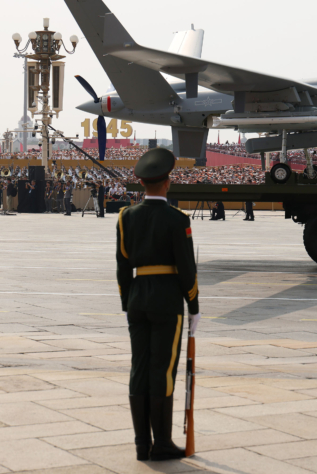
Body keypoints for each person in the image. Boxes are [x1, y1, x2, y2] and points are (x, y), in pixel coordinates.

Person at [116, 148, 201, 462]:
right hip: (166, 298)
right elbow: (186, 268)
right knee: (162, 370)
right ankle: (162, 443)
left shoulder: (126, 217)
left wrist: (128, 302)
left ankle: (142, 444)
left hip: (137, 297)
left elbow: (122, 267)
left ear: (141, 183)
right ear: (167, 182)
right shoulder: (177, 219)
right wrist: (193, 305)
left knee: (139, 367)